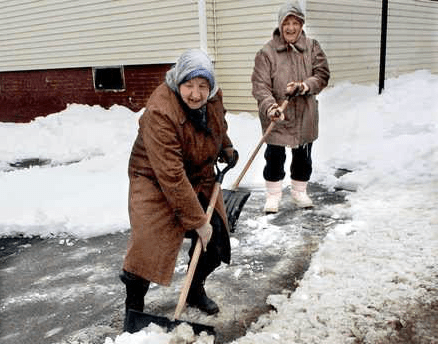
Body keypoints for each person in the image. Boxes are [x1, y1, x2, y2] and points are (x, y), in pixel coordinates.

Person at [119, 49, 238, 331]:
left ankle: (195, 288)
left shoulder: (212, 98)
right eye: (189, 85)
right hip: (153, 178)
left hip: (197, 175)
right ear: (178, 82)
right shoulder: (160, 111)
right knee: (148, 244)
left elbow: (217, 124)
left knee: (216, 240)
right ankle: (134, 308)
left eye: (203, 86)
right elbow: (171, 176)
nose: (196, 94)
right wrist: (198, 222)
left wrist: (225, 146)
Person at [251, 1, 330, 213]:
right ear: (280, 25)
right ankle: (274, 195)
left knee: (303, 156)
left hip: (305, 113)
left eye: (296, 22)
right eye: (287, 22)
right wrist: (270, 107)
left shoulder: (312, 47)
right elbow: (260, 86)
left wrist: (304, 86)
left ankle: (299, 192)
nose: (291, 27)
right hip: (278, 113)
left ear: (302, 24)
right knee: (274, 157)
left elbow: (322, 75)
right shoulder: (267, 53)